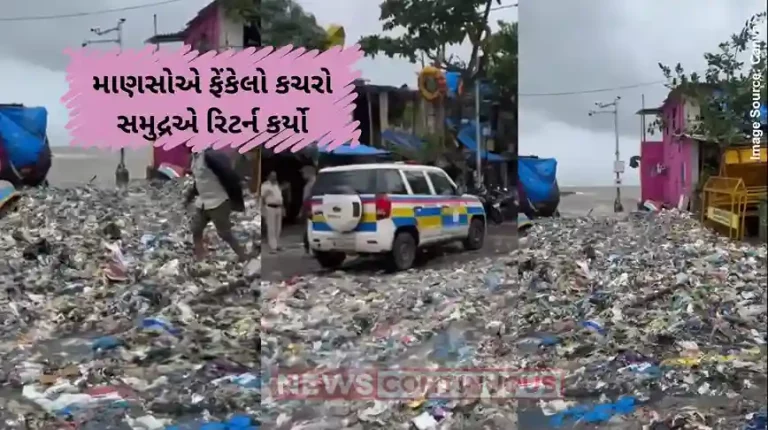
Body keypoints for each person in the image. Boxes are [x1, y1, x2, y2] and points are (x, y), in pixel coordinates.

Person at [184, 149, 247, 262]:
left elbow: (228, 175)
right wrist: (189, 197)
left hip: (218, 201)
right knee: (196, 230)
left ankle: (243, 255)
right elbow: (198, 181)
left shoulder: (210, 157)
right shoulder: (194, 158)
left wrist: (236, 200)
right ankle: (200, 257)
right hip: (203, 202)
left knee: (224, 233)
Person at [261, 171, 284, 253]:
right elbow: (262, 198)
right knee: (271, 228)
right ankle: (272, 246)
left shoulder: (276, 185)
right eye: (272, 176)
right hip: (270, 207)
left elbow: (280, 197)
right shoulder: (265, 186)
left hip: (278, 207)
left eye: (275, 175)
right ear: (268, 176)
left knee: (278, 227)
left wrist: (283, 207)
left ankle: (277, 244)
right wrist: (262, 210)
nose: (274, 177)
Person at [300, 166, 317, 254]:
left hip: (310, 208)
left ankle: (311, 249)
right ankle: (309, 247)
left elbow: (310, 198)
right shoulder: (309, 183)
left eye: (303, 173)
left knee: (310, 229)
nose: (302, 175)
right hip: (307, 208)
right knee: (307, 228)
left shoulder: (313, 183)